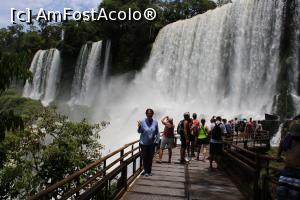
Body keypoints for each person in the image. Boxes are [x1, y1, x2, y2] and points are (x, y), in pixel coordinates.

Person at [277, 121, 300, 200]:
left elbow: (281, 142)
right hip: (295, 175)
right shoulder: (290, 140)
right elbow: (281, 142)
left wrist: (278, 155)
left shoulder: (289, 140)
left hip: (286, 174)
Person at [138, 108, 159, 176]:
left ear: (152, 114)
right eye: (148, 114)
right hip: (143, 143)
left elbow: (157, 132)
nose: (149, 115)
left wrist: (157, 141)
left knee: (150, 157)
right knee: (145, 157)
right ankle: (146, 171)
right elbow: (139, 131)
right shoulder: (142, 121)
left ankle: (149, 171)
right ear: (146, 114)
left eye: (151, 114)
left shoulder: (155, 122)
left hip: (151, 143)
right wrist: (139, 127)